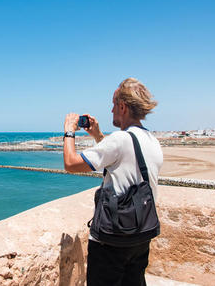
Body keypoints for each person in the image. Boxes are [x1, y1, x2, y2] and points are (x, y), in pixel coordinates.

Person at [63, 77, 163, 286]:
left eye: (113, 104)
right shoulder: (151, 140)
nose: (111, 111)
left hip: (112, 239)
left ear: (123, 107)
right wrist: (98, 135)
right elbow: (120, 158)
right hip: (140, 234)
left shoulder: (120, 140)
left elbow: (71, 164)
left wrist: (69, 130)